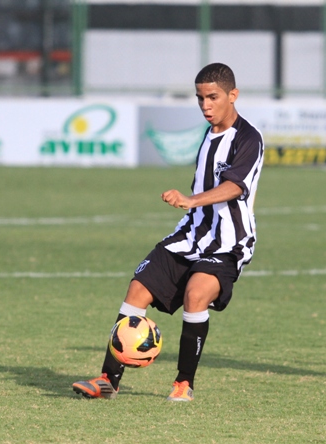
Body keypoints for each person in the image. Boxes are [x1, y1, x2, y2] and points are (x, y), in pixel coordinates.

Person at [73, 63, 264, 401]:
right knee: (137, 290)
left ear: (233, 96)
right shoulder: (210, 131)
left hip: (228, 241)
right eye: (200, 98)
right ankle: (108, 380)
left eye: (213, 97)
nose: (205, 105)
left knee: (195, 294)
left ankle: (183, 383)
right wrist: (192, 208)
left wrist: (190, 199)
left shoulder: (248, 138)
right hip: (190, 234)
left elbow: (236, 187)